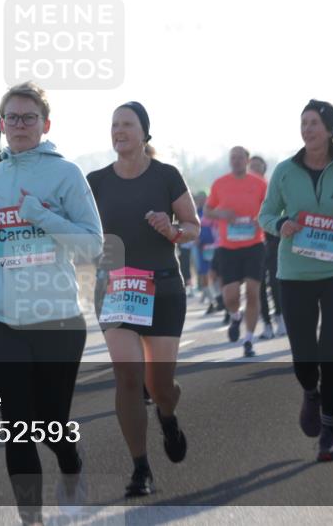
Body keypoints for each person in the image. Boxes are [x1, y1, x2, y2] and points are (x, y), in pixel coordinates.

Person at [0, 82, 102, 525]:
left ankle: (70, 463)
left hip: (58, 319)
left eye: (28, 117)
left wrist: (42, 214)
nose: (19, 125)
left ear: (46, 124)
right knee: (17, 425)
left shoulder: (66, 174)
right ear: (2, 125)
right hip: (5, 319)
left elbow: (93, 246)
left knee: (49, 422)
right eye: (12, 117)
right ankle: (32, 519)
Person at [87, 101, 199, 497]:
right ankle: (141, 467)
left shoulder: (166, 175)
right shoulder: (95, 180)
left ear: (144, 132)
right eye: (114, 124)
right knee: (129, 376)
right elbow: (76, 225)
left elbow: (193, 226)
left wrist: (171, 229)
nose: (119, 130)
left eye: (127, 124)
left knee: (161, 384)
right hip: (116, 288)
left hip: (164, 287)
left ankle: (167, 415)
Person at [259, 99, 333, 462]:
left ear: (329, 129)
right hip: (294, 273)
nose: (308, 129)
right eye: (303, 123)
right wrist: (281, 225)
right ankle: (310, 392)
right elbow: (265, 214)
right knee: (303, 356)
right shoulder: (284, 170)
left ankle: (328, 434)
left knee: (331, 352)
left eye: (314, 123)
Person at [205, 146, 268, 357]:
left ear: (247, 160)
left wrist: (261, 219)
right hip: (228, 247)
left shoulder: (259, 184)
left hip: (254, 245)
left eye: (240, 158)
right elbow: (207, 210)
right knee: (230, 296)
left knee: (252, 291)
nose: (236, 161)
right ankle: (235, 316)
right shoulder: (220, 184)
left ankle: (248, 340)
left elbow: (271, 209)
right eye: (233, 158)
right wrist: (221, 213)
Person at [250, 155, 284, 338]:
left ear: (264, 168)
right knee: (259, 284)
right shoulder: (243, 189)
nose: (254, 169)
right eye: (251, 166)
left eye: (257, 166)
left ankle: (280, 317)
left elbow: (279, 210)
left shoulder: (271, 187)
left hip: (272, 239)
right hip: (254, 242)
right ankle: (267, 324)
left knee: (276, 281)